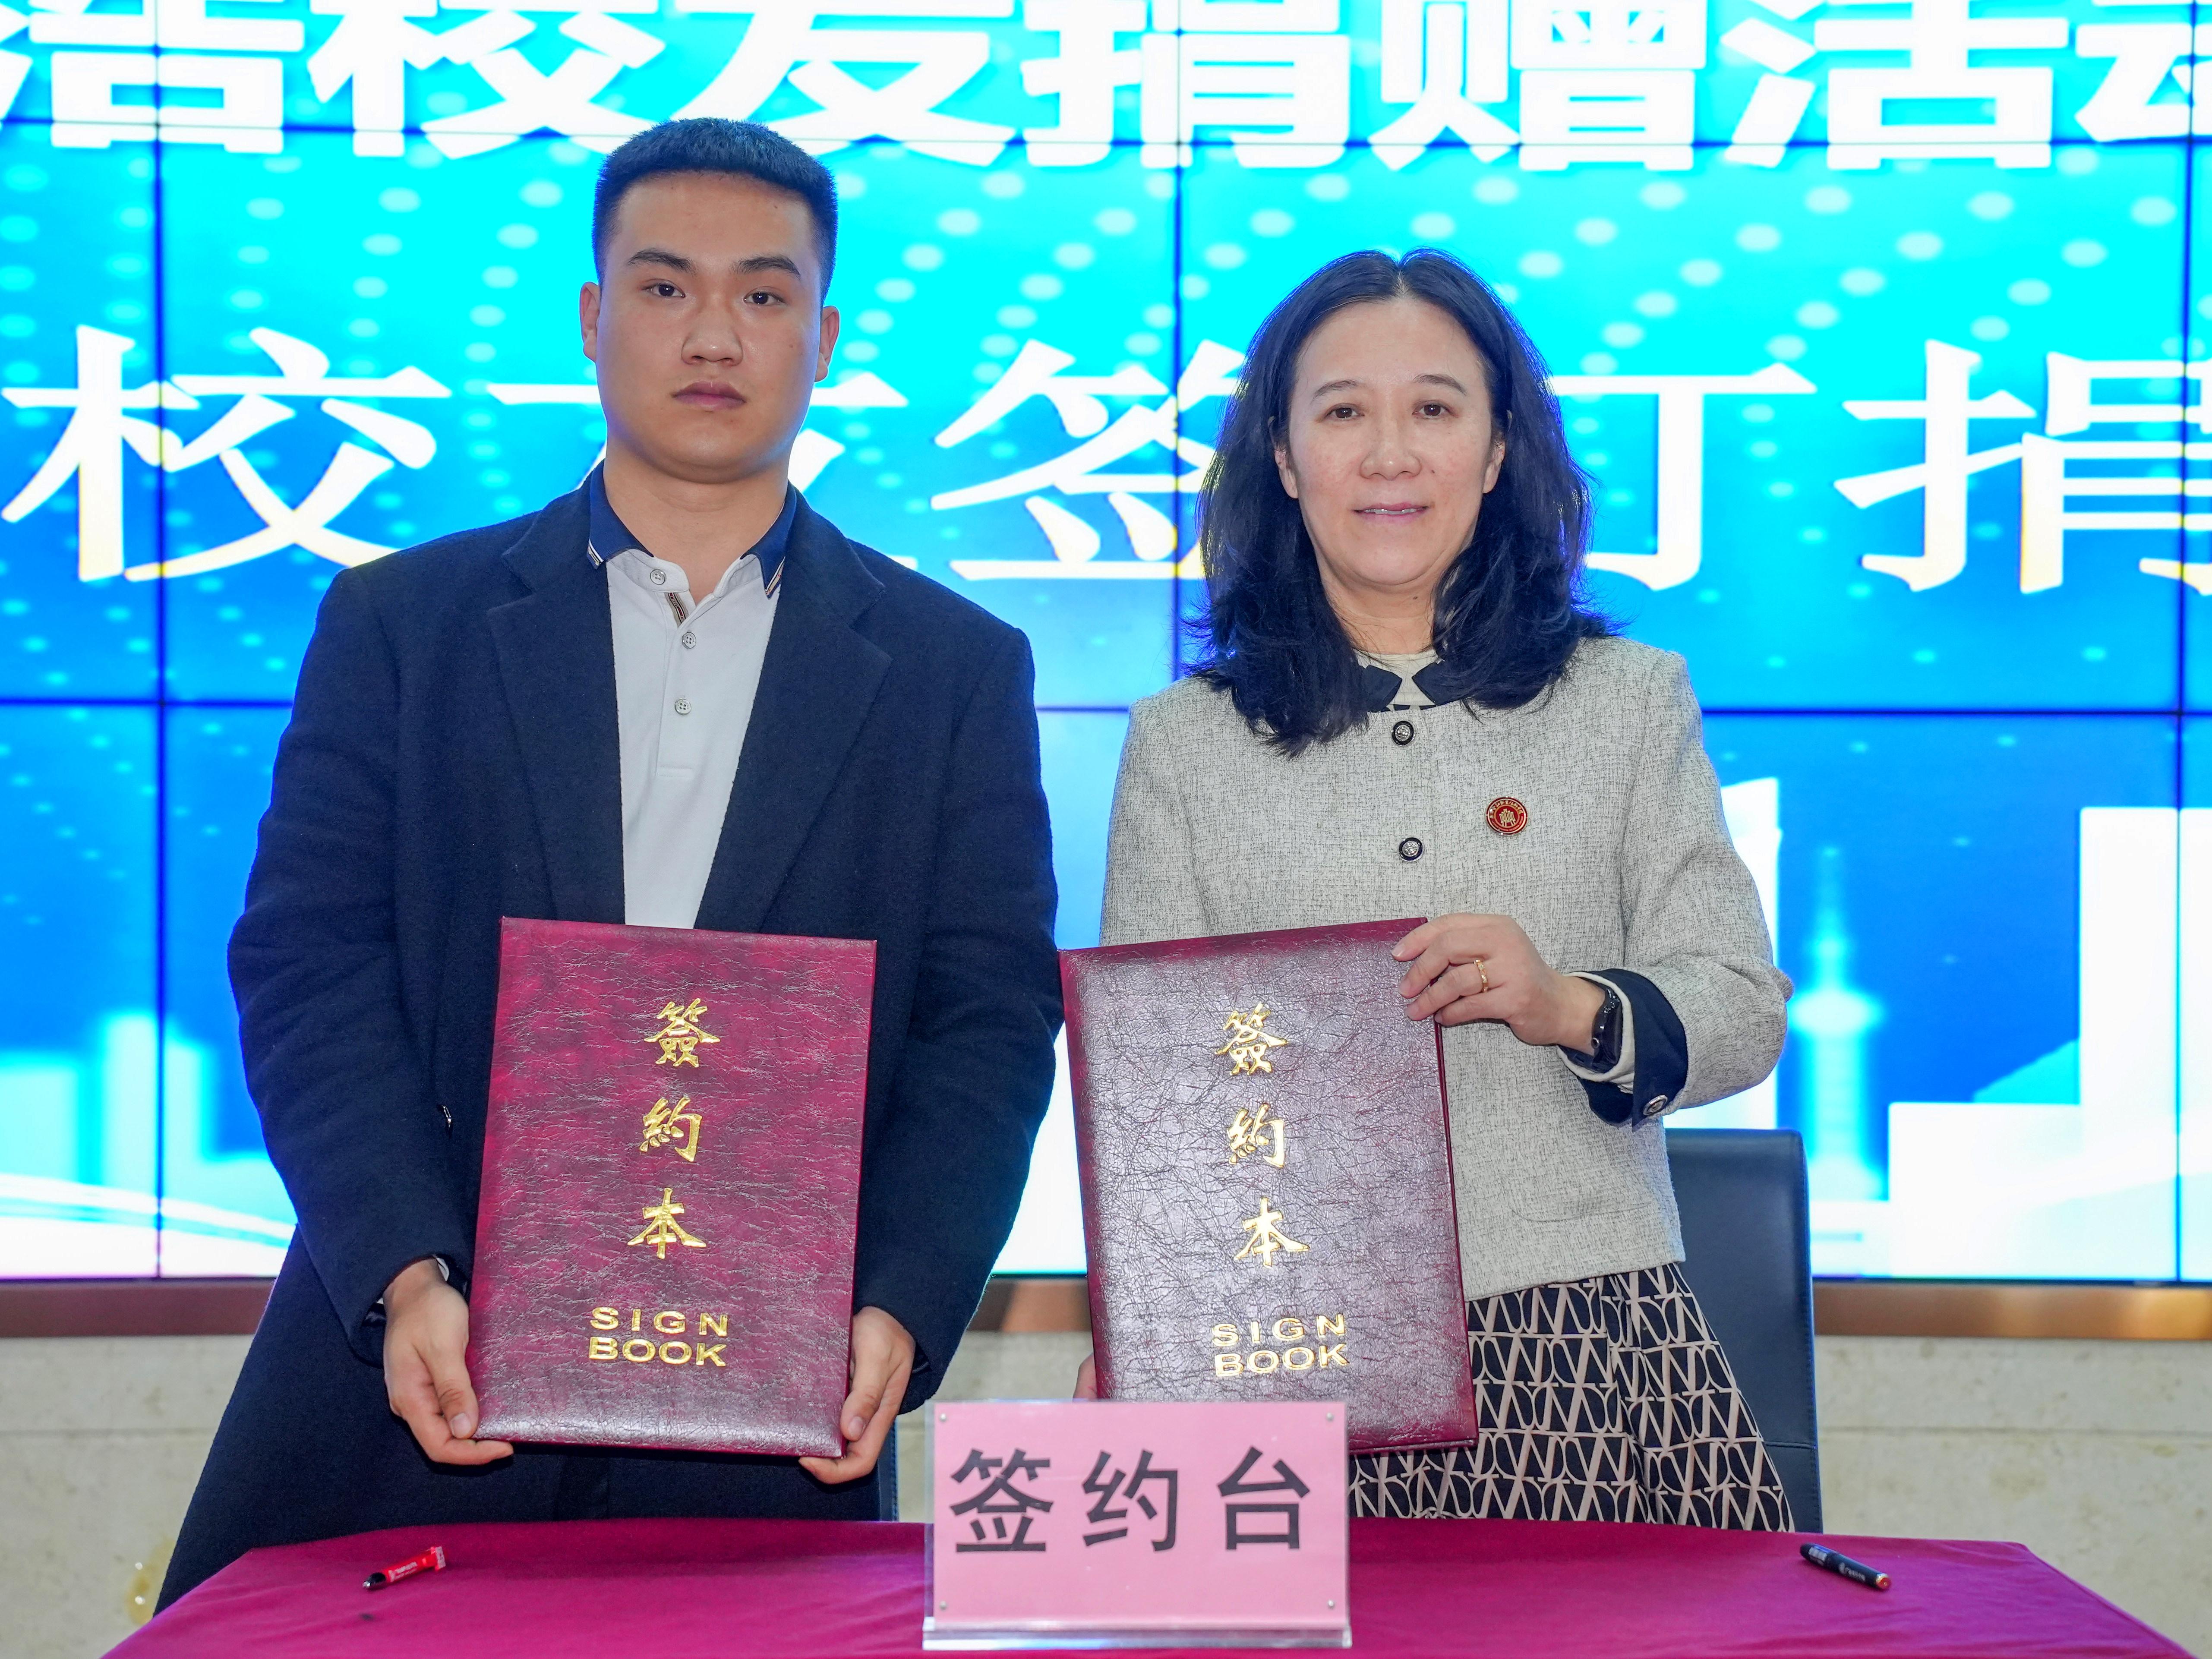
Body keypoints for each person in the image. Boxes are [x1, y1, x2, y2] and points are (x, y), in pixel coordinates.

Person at [161, 118, 1061, 1604]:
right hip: (421, 1382)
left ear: (826, 337)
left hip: (773, 1407)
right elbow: (309, 963)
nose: (714, 333)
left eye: (764, 293)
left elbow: (989, 1016)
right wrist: (404, 1270)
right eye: (664, 287)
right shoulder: (405, 625)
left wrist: (901, 1297)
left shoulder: (952, 669)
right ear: (592, 318)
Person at [1084, 247, 1795, 1529]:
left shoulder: (1628, 704)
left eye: (1434, 408)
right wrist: (1144, 1328)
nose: (1389, 454)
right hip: (1288, 1343)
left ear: (1499, 447)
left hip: (1588, 1338)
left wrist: (1569, 1003)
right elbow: (1157, 1099)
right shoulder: (1184, 744)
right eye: (1342, 412)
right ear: (1284, 458)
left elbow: (1743, 1008)